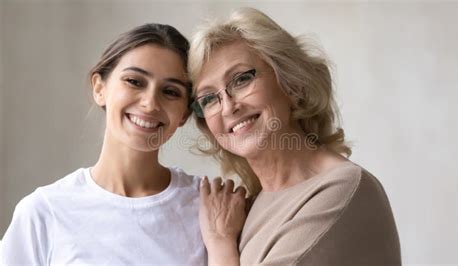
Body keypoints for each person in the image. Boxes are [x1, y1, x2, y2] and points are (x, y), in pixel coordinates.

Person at [189, 7, 401, 266]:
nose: (228, 107)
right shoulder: (252, 204)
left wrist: (220, 242)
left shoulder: (341, 190)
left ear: (292, 83)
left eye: (241, 79)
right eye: (209, 98)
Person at [1, 23, 206, 265]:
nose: (150, 103)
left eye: (171, 92)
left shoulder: (207, 205)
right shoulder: (44, 212)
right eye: (134, 81)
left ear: (184, 114)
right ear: (100, 88)